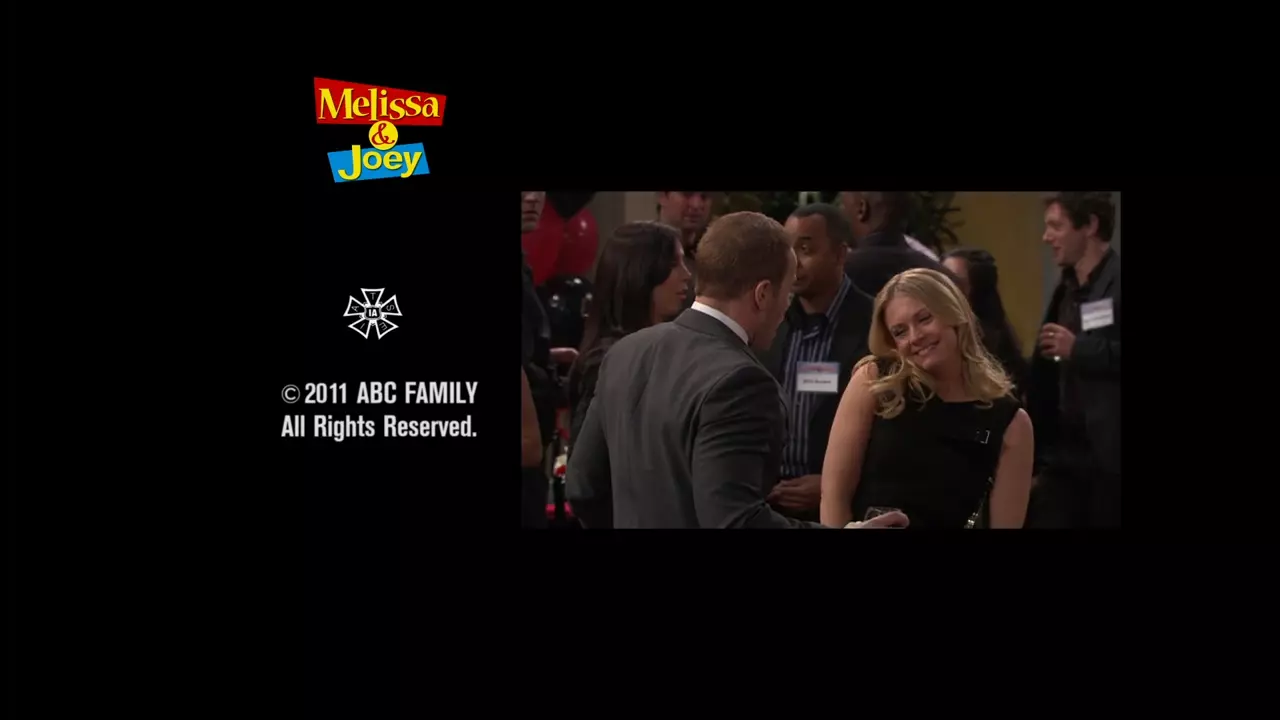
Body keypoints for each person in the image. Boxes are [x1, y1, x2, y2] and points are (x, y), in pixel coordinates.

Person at [565, 211, 908, 529]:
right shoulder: (741, 381)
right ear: (762, 294)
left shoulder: (626, 351)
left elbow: (582, 488)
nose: (786, 309)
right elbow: (735, 521)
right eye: (787, 293)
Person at [820, 268, 1034, 529]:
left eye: (924, 319)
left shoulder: (1010, 421)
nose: (915, 337)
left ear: (954, 313)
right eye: (900, 332)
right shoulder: (874, 381)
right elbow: (833, 497)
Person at [757, 203, 876, 521]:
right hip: (770, 505)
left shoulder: (874, 323)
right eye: (788, 249)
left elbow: (891, 430)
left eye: (806, 249)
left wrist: (832, 482)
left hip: (842, 507)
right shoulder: (769, 321)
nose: (793, 261)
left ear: (840, 254)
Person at [1026, 192, 1121, 528]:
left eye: (1056, 226)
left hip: (1109, 462)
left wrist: (1078, 349)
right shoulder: (1065, 289)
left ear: (1090, 225)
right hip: (1063, 456)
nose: (1046, 237)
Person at [566, 222, 691, 448]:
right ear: (640, 272)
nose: (687, 275)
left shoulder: (664, 349)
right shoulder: (610, 363)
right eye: (673, 264)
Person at [942, 248, 1031, 398]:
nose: (943, 289)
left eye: (954, 282)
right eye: (941, 279)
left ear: (977, 293)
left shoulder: (990, 348)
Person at [839, 191, 955, 296]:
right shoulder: (944, 279)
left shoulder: (839, 275)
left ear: (862, 209)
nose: (840, 212)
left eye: (842, 205)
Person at [657, 191, 714, 310]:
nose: (696, 205)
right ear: (662, 196)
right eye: (687, 194)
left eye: (704, 197)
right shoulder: (641, 254)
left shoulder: (713, 255)